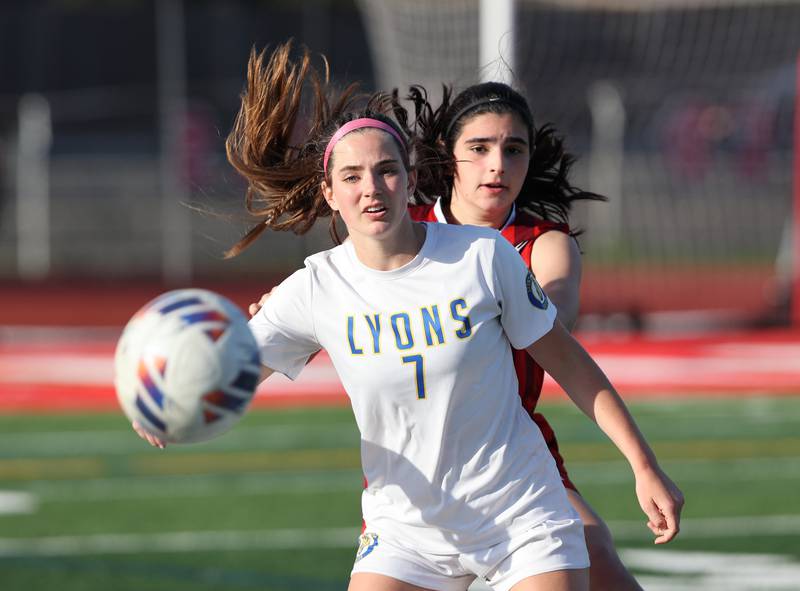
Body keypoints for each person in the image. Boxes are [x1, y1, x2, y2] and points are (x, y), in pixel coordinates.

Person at [135, 43, 683, 591]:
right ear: (328, 192)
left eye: (385, 171)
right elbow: (229, 369)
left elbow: (568, 356)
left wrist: (644, 465)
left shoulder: (485, 256)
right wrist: (172, 400)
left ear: (410, 174)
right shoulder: (315, 287)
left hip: (521, 511)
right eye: (351, 177)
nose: (371, 187)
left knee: (599, 559)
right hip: (405, 529)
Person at [396, 81, 645, 590]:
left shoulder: (543, 243)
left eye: (514, 150)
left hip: (511, 453)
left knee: (593, 549)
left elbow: (553, 321)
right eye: (480, 148)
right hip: (411, 468)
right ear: (450, 154)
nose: (498, 165)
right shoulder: (403, 231)